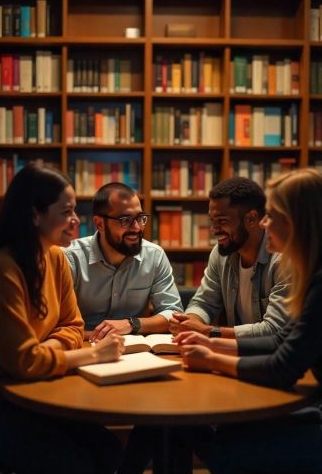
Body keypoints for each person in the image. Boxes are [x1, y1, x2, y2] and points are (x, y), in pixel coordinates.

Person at [174, 168, 322, 474]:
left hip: (311, 424)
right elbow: (283, 341)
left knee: (195, 433)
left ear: (298, 222)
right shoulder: (313, 273)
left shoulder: (314, 279)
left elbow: (284, 365)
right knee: (184, 427)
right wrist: (209, 341)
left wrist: (211, 357)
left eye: (273, 215)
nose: (266, 223)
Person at [0, 164, 125, 474]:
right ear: (35, 215)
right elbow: (23, 361)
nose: (76, 221)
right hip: (2, 400)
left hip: (38, 388)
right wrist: (94, 353)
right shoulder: (3, 269)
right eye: (66, 212)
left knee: (109, 450)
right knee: (76, 464)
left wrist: (46, 349)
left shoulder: (54, 257)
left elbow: (72, 325)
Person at [169, 177, 289, 339]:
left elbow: (276, 329)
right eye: (212, 221)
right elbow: (204, 302)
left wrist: (207, 331)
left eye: (222, 221)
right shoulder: (220, 254)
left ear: (251, 218)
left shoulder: (284, 259)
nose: (213, 229)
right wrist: (189, 321)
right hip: (236, 351)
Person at [64, 182, 182, 343]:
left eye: (140, 218)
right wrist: (101, 336)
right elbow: (57, 323)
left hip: (137, 351)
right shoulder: (70, 258)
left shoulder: (154, 255)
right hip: (83, 346)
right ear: (99, 224)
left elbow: (173, 314)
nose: (137, 228)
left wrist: (131, 324)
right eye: (125, 220)